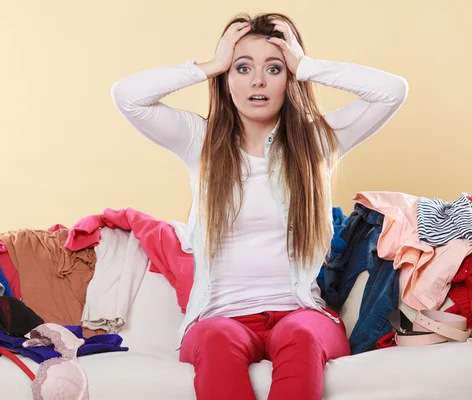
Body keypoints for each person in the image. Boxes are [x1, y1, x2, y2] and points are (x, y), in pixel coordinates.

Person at [111, 12, 408, 400]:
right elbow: (127, 96)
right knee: (218, 337)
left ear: (290, 79)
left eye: (274, 68)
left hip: (302, 315)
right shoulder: (199, 143)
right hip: (219, 318)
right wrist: (210, 65)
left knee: (300, 334)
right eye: (242, 67)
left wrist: (308, 66)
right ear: (227, 78)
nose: (258, 81)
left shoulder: (318, 143)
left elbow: (392, 90)